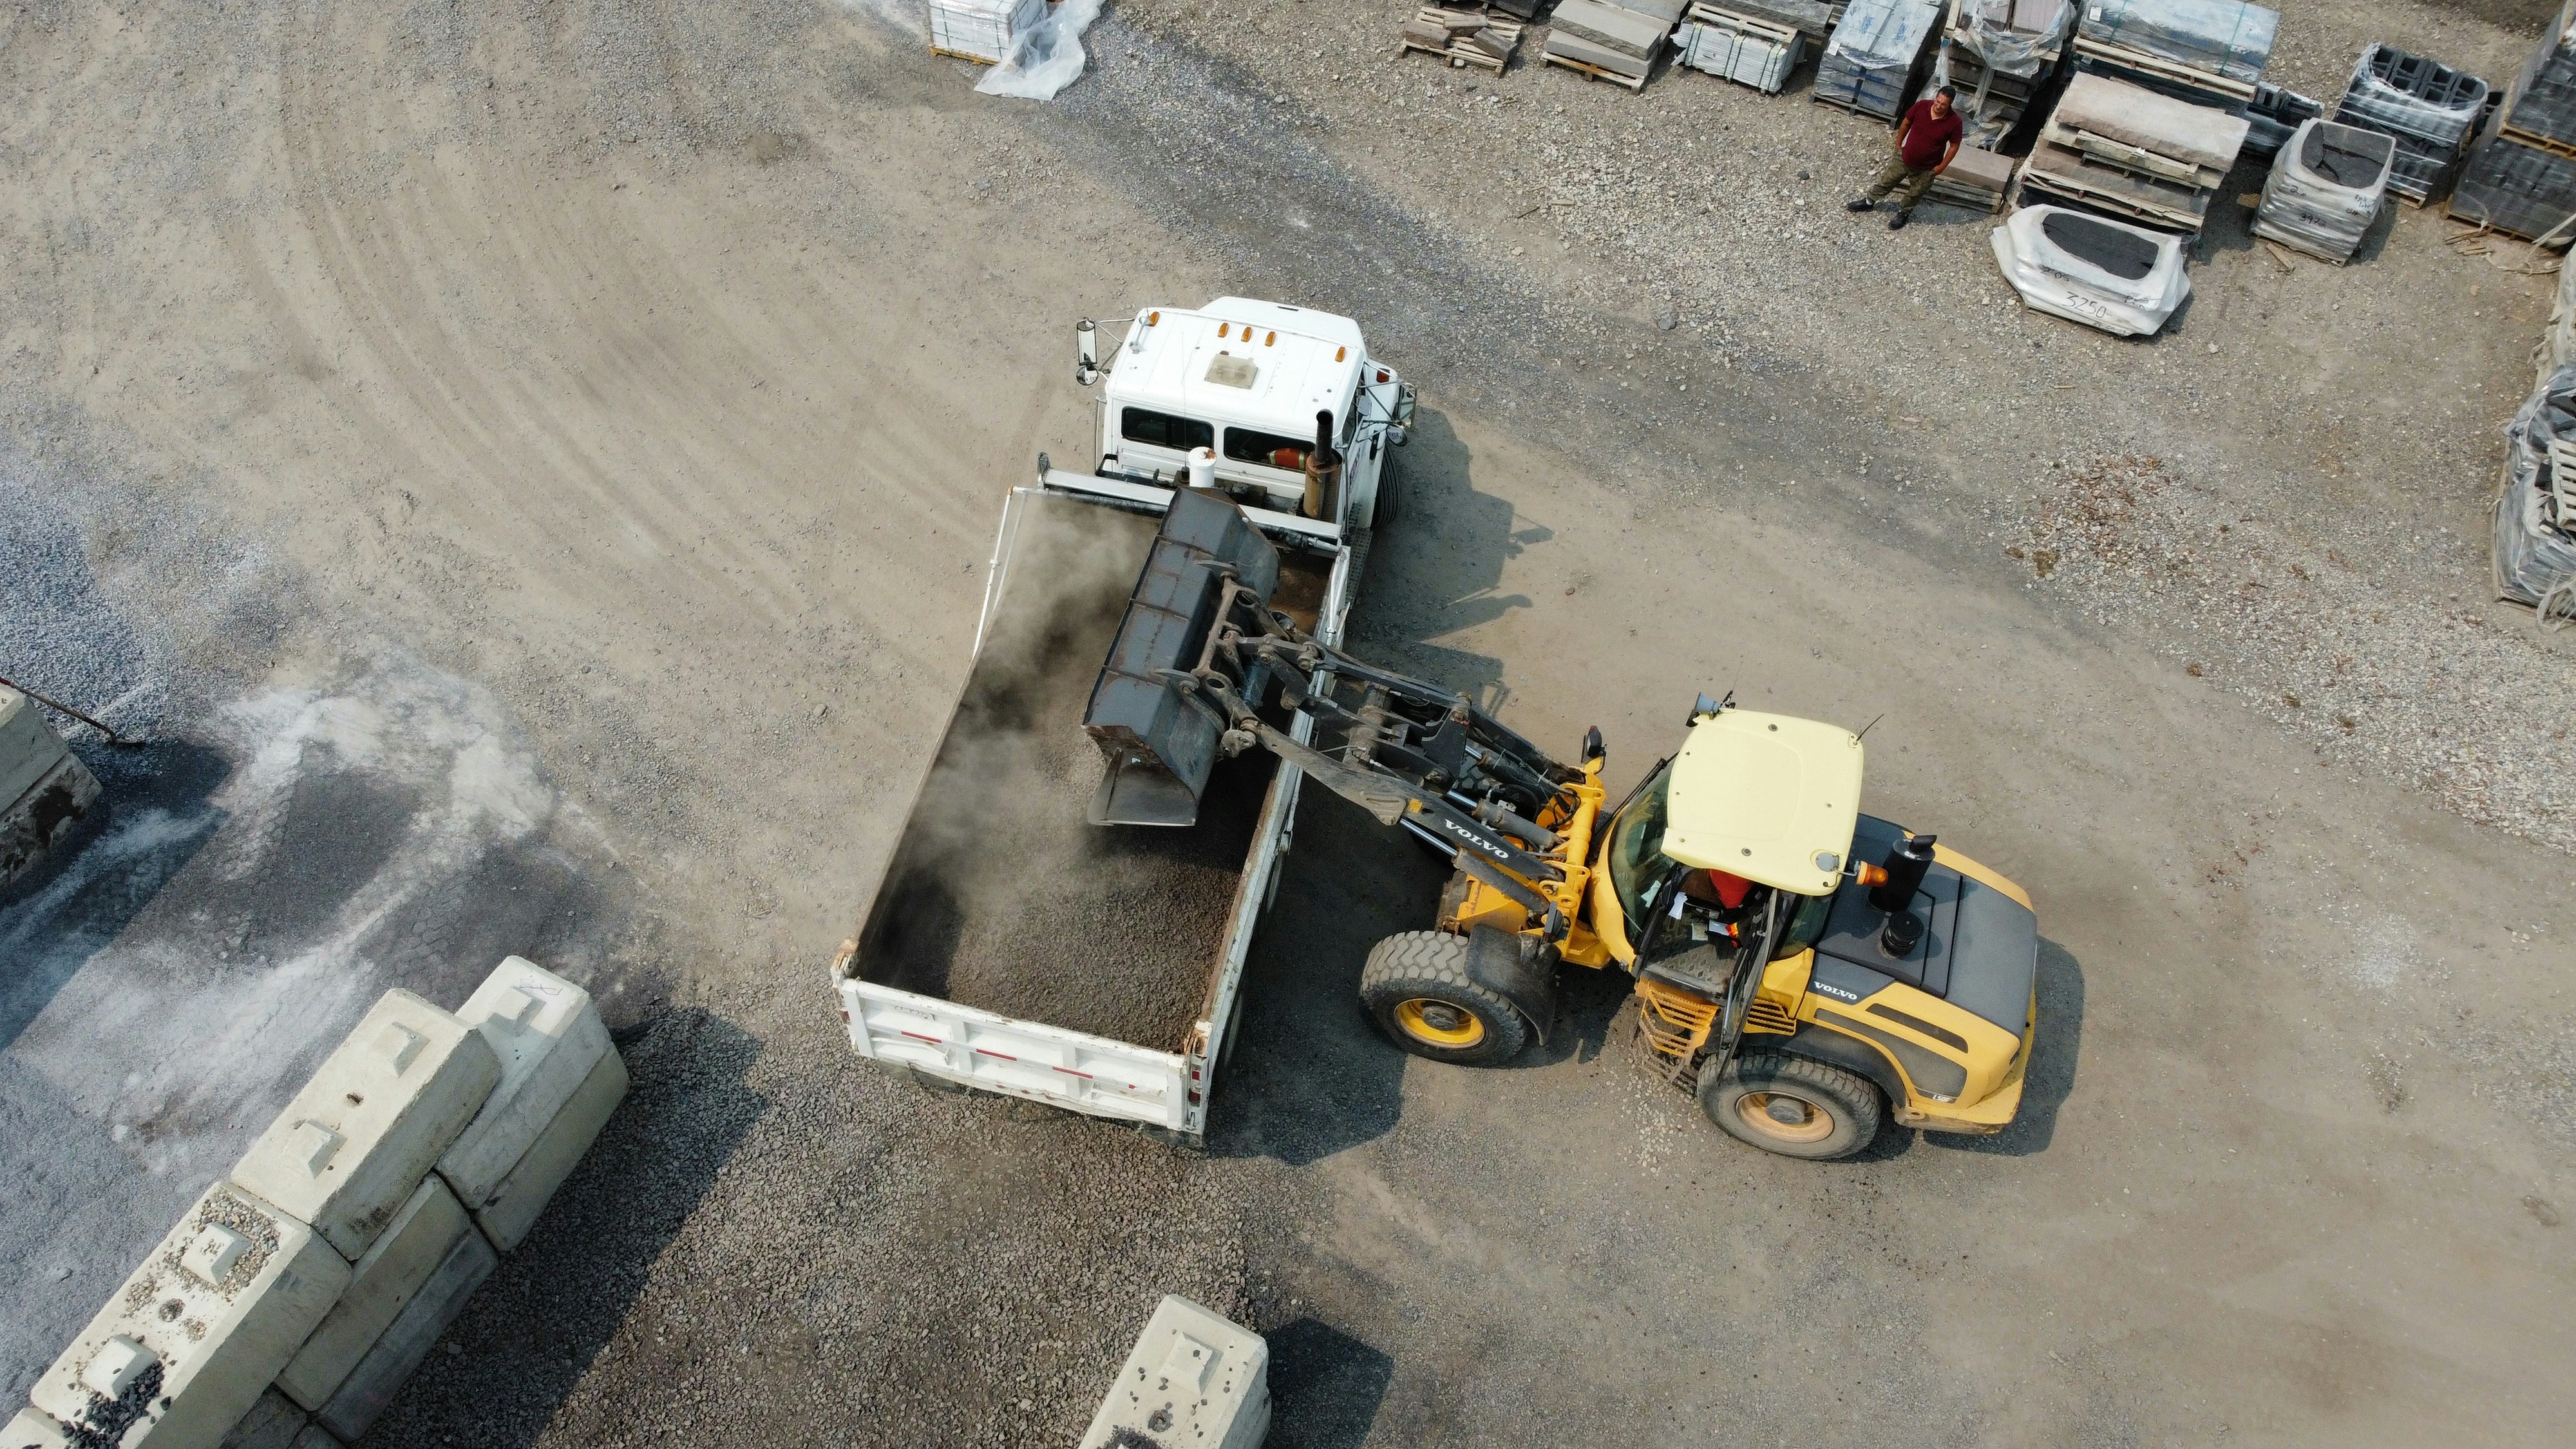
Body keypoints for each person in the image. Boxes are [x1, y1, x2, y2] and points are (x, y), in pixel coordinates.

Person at [1847, 85, 1964, 231]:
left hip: (1927, 168)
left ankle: (1904, 213)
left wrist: (1942, 166)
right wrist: (1898, 144)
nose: (1939, 106)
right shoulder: (1922, 106)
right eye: (1938, 101)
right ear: (1936, 98)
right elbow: (1906, 122)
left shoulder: (1955, 122)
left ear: (1950, 104)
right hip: (1904, 157)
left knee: (1916, 192)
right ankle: (1869, 201)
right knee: (1887, 180)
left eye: (1943, 104)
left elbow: (1954, 146)